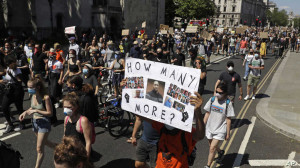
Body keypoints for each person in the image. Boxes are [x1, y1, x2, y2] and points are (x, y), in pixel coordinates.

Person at [151, 91, 205, 168]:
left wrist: (198, 111)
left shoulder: (186, 132)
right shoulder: (161, 125)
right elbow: (143, 115)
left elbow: (200, 136)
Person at [19, 78, 56, 168]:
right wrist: (25, 112)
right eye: (28, 87)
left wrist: (36, 111)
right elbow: (32, 108)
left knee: (39, 148)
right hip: (35, 122)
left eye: (31, 87)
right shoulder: (33, 95)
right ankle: (59, 148)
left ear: (38, 87)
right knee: (45, 142)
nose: (29, 89)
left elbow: (50, 113)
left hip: (44, 123)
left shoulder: (45, 98)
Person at [203, 83, 235, 168]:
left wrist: (228, 133)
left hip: (220, 129)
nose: (218, 94)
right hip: (210, 127)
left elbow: (228, 119)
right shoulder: (212, 99)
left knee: (212, 148)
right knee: (212, 146)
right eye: (216, 92)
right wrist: (202, 125)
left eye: (220, 93)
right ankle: (220, 152)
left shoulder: (228, 103)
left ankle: (208, 166)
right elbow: (207, 113)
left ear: (225, 93)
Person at [63, 93, 92, 158]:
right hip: (70, 154)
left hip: (81, 154)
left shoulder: (83, 120)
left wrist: (86, 160)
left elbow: (88, 142)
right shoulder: (66, 119)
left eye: (69, 107)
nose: (66, 109)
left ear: (76, 107)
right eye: (64, 107)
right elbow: (65, 136)